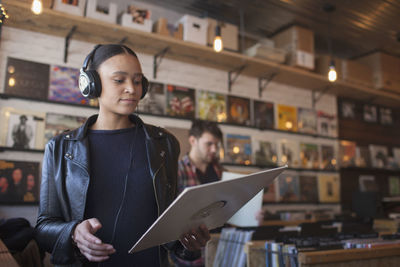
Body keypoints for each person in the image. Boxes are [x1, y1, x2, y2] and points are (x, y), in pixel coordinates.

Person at [34, 44, 210, 267]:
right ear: (91, 84)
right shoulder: (59, 148)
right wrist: (73, 233)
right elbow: (43, 227)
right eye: (119, 80)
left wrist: (188, 243)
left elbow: (169, 228)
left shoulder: (164, 143)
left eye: (137, 81)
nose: (132, 89)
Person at [173, 120, 223, 266]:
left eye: (216, 145)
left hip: (219, 249)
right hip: (190, 254)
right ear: (193, 140)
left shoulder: (220, 172)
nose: (214, 149)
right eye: (209, 144)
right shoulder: (177, 171)